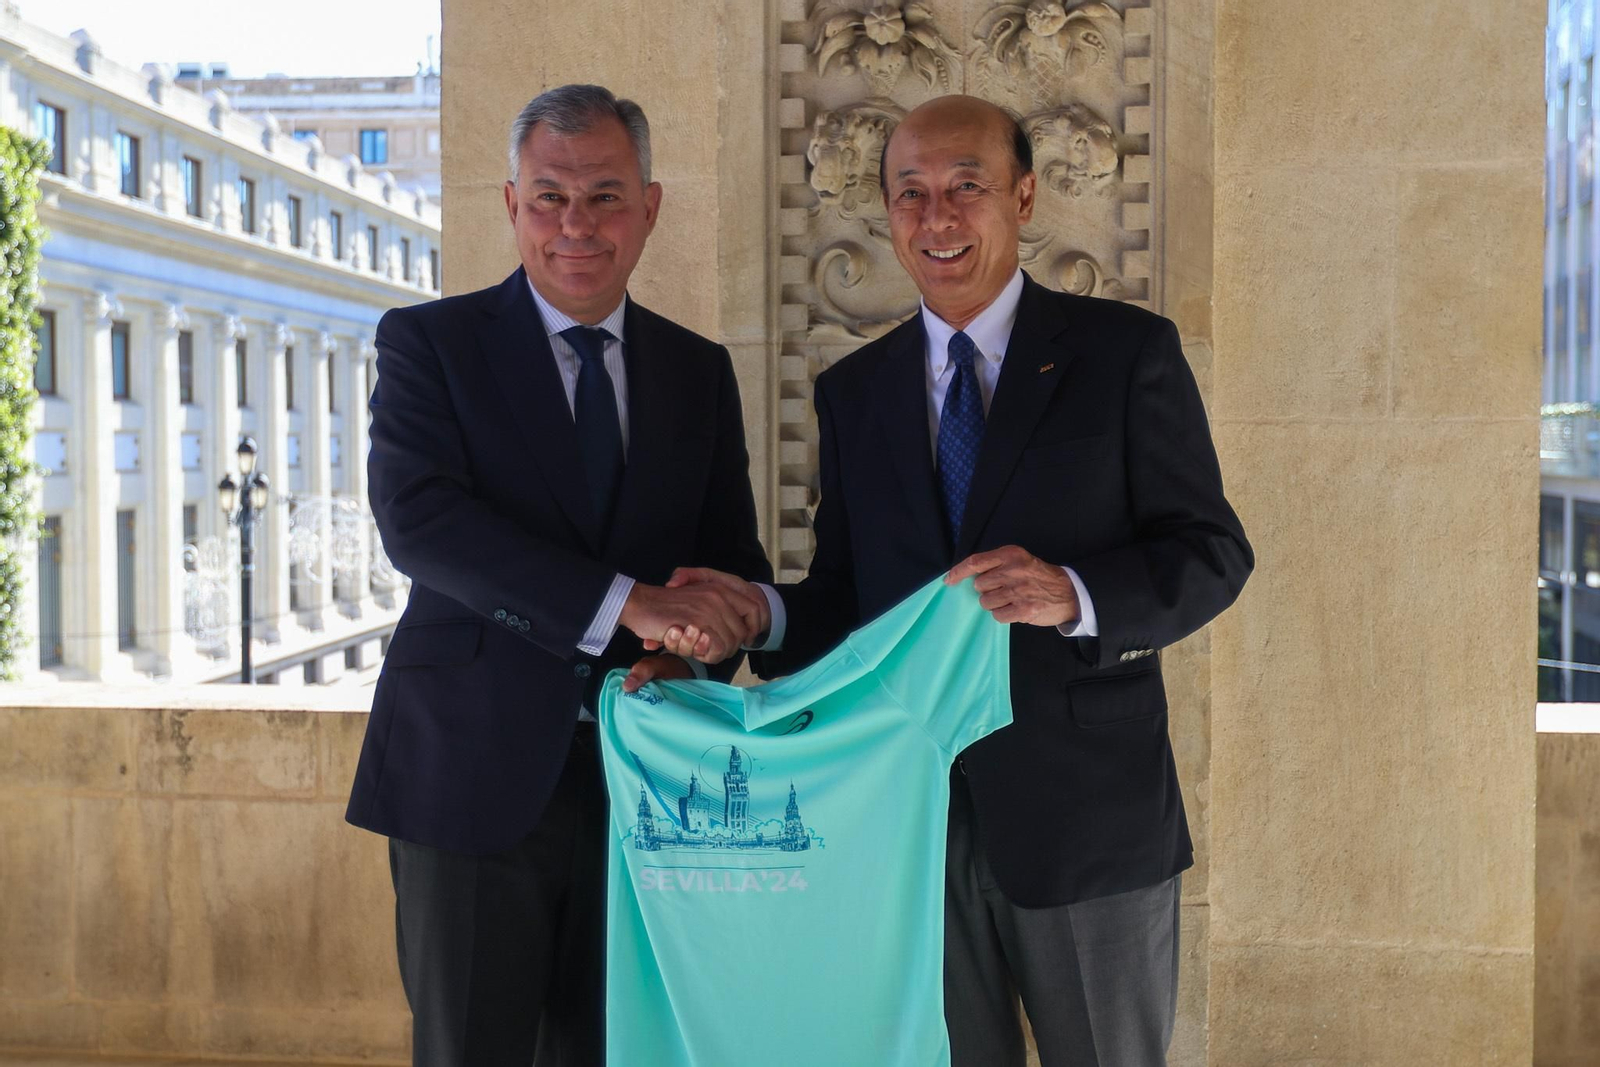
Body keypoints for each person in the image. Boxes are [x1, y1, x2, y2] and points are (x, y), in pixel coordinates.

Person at [640, 95, 1253, 1065]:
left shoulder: (1124, 354)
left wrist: (1074, 593)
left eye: (967, 186)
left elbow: (1213, 552)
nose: (938, 217)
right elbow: (848, 601)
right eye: (911, 193)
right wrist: (756, 615)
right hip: (907, 823)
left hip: (1086, 819)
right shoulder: (855, 393)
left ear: (1023, 195)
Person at [345, 83, 772, 1067]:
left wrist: (695, 657)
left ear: (649, 207)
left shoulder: (697, 371)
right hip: (467, 776)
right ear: (511, 204)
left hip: (645, 787)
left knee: (615, 1050)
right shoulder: (428, 344)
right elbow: (422, 527)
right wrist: (630, 604)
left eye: (604, 196)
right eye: (550, 197)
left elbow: (729, 566)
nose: (575, 224)